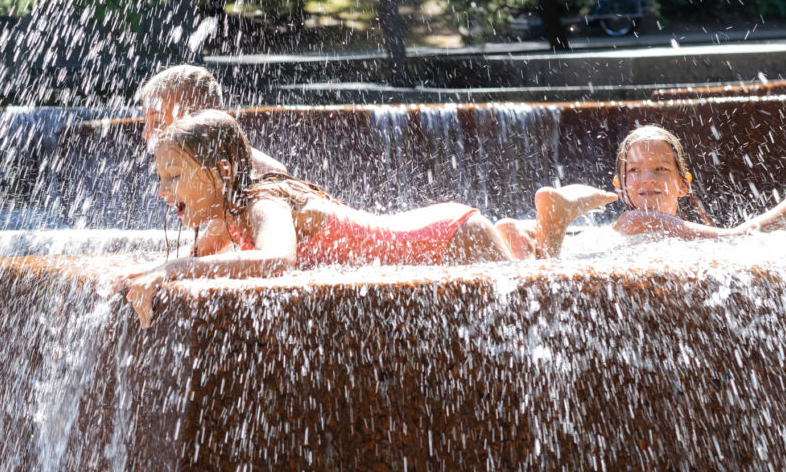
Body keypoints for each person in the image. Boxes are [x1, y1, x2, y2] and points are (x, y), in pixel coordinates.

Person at [124, 110, 616, 327]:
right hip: (440, 230)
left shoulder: (262, 205)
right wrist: (156, 269)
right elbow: (202, 256)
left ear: (223, 171)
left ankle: (552, 223)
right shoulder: (229, 214)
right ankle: (518, 236)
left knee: (534, 309)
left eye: (174, 177)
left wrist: (174, 271)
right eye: (161, 178)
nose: (164, 190)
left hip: (447, 239)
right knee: (522, 288)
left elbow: (277, 262)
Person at [136, 65, 287, 256]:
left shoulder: (250, 171)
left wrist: (161, 269)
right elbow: (206, 248)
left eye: (157, 122)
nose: (145, 134)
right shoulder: (218, 165)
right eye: (145, 123)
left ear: (198, 121)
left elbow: (207, 247)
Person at [609, 124, 786, 240]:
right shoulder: (635, 220)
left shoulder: (679, 235)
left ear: (684, 184)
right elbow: (733, 239)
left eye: (661, 169)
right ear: (619, 186)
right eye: (634, 170)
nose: (648, 178)